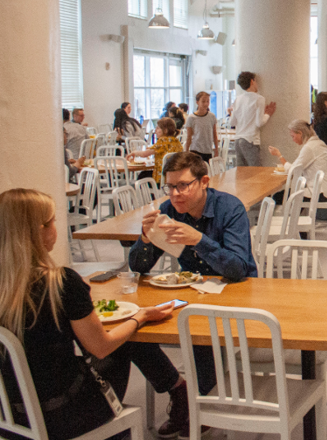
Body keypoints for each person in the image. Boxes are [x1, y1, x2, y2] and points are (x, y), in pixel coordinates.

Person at [0, 189, 188, 440]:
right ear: (39, 231)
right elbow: (101, 347)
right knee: (127, 337)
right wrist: (139, 317)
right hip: (64, 416)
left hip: (10, 416)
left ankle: (177, 389)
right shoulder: (61, 284)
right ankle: (176, 391)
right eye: (54, 221)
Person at [129, 152, 257, 425]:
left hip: (238, 294)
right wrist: (145, 238)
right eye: (170, 186)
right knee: (132, 331)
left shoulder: (229, 209)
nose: (175, 194)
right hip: (191, 294)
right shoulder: (168, 210)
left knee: (200, 331)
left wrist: (199, 239)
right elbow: (139, 267)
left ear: (204, 182)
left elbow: (238, 270)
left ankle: (203, 411)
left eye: (183, 186)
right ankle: (178, 390)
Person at [268, 120, 327, 200]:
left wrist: (279, 155)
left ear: (300, 133)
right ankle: (294, 212)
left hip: (318, 192)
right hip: (326, 189)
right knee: (291, 193)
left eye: (293, 136)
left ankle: (290, 213)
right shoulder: (320, 143)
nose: (293, 140)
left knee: (277, 197)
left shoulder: (309, 147)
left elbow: (294, 170)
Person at [229, 71, 277, 167]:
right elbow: (259, 123)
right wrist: (267, 114)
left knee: (241, 173)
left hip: (238, 140)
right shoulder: (259, 99)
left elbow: (232, 122)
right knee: (255, 172)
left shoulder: (238, 99)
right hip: (250, 139)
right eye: (256, 81)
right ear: (252, 81)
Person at [127, 117, 182, 182]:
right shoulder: (176, 142)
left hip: (162, 178)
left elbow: (144, 154)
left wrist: (134, 152)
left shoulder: (162, 141)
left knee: (142, 176)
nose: (155, 130)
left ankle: (147, 192)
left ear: (165, 130)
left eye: (158, 128)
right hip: (175, 177)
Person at [184, 91, 218, 163]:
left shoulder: (212, 116)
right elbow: (189, 136)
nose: (206, 104)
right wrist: (186, 151)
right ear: (197, 102)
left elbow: (214, 134)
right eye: (203, 101)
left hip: (208, 149)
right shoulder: (191, 118)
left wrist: (216, 150)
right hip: (195, 149)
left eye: (207, 101)